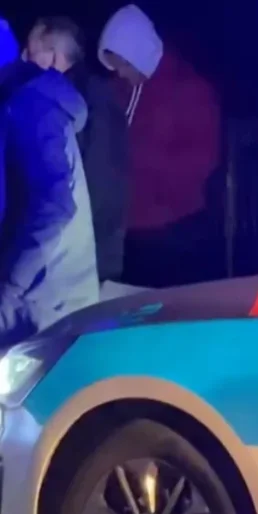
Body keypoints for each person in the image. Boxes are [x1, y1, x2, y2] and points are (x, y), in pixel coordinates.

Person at [97, 5, 221, 287]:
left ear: (139, 53)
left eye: (124, 64)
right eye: (114, 66)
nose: (120, 73)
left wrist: (135, 161)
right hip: (124, 227)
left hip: (173, 228)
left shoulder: (189, 90)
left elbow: (203, 159)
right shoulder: (117, 90)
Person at [0, 17, 98, 345]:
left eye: (30, 51)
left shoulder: (31, 106)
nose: (24, 58)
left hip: (41, 303)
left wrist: (11, 285)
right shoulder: (31, 104)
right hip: (45, 299)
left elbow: (54, 204)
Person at [25, 17, 130, 295]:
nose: (24, 60)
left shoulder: (73, 105)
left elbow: (96, 187)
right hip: (85, 258)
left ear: (53, 58)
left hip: (77, 264)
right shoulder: (92, 96)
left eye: (31, 53)